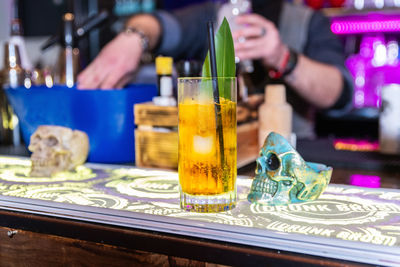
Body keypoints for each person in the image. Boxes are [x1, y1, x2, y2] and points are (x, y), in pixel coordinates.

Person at [77, 0, 353, 138]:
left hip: (292, 161)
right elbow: (160, 25)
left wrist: (282, 57)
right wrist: (133, 38)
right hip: (215, 156)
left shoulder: (308, 21)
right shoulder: (211, 15)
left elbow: (339, 94)